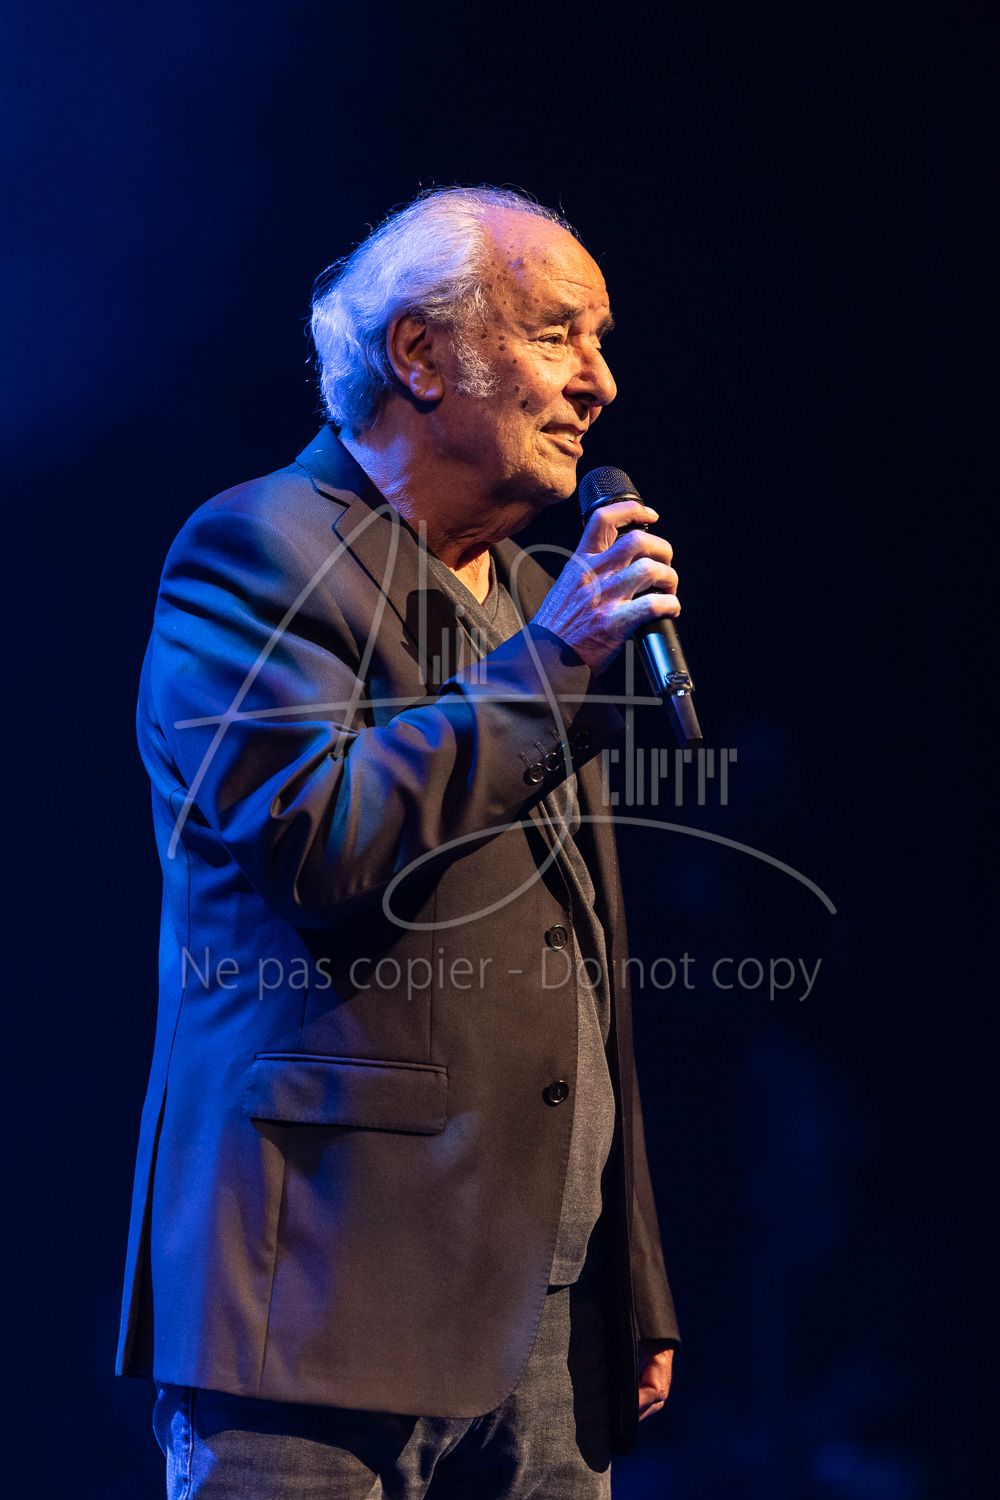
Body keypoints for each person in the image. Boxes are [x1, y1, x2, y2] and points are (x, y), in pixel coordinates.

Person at [118, 186, 683, 1498]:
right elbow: (313, 838)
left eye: (599, 343)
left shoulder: (537, 598)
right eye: (557, 334)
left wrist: (632, 1273)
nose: (598, 382)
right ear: (420, 355)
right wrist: (552, 669)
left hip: (546, 1323)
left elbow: (584, 970)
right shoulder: (256, 549)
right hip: (316, 1307)